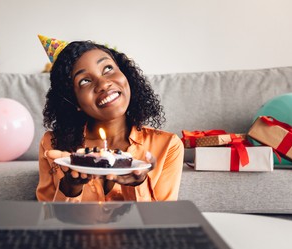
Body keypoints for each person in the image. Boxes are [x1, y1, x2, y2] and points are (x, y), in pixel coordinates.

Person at [36, 41, 184, 202]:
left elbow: (163, 222)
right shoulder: (52, 144)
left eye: (107, 68)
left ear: (125, 73)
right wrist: (70, 190)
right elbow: (48, 220)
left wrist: (138, 185)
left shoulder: (168, 145)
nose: (104, 84)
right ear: (74, 101)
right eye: (84, 80)